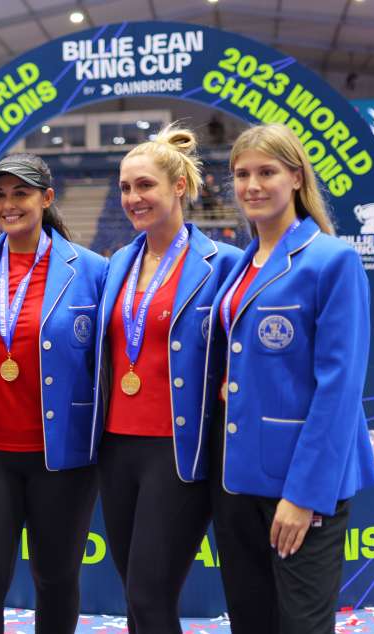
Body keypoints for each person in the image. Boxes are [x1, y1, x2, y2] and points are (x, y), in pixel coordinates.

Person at [207, 123, 374, 633]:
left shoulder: (333, 260)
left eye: (267, 172)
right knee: (250, 621)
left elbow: (340, 390)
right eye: (242, 174)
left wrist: (303, 496)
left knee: (301, 624)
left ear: (297, 178)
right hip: (237, 480)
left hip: (299, 486)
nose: (252, 186)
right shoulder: (241, 264)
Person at [91, 124, 242, 633]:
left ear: (179, 186)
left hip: (178, 453)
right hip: (115, 450)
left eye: (145, 185)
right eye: (125, 187)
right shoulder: (117, 264)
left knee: (150, 594)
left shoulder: (222, 264)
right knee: (135, 595)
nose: (133, 198)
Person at [0, 153, 106, 633]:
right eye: (0, 194)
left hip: (60, 458)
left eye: (21, 193)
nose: (9, 204)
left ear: (47, 198)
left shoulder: (92, 269)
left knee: (56, 578)